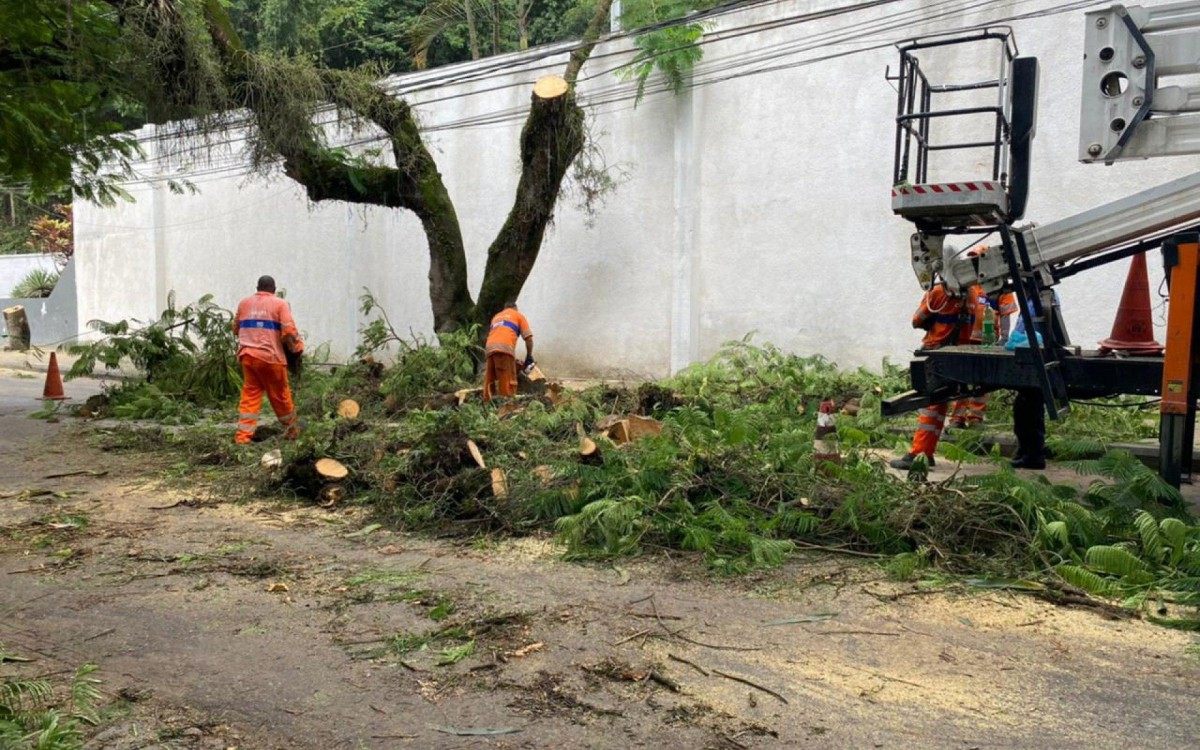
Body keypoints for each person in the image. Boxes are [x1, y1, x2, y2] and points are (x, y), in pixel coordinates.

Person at [890, 281, 979, 470]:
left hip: (937, 353)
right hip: (959, 354)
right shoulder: (972, 292)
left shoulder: (938, 292)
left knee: (930, 405)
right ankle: (927, 453)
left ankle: (919, 454)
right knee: (941, 402)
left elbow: (917, 320)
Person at [232, 275, 304, 445]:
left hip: (248, 357)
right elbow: (288, 332)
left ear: (257, 288)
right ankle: (292, 431)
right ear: (274, 289)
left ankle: (242, 438)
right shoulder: (280, 304)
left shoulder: (244, 303)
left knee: (250, 395)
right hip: (271, 359)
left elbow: (235, 328)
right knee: (280, 396)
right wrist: (297, 349)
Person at [947, 288, 1018, 430]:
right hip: (966, 339)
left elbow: (1005, 313)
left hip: (986, 341)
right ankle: (957, 418)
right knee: (962, 381)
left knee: (982, 382)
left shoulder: (999, 284)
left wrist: (1004, 339)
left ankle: (975, 417)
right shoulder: (969, 282)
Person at [1004, 290, 1059, 470]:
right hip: (1036, 355)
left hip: (1034, 357)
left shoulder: (1036, 301)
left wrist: (1012, 340)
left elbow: (1023, 331)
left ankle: (1033, 454)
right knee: (1027, 406)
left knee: (1027, 408)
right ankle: (1028, 451)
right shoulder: (1040, 297)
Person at [483, 300, 533, 403]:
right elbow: (529, 339)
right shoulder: (518, 315)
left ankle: (487, 404)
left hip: (489, 348)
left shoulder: (496, 316)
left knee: (490, 379)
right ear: (515, 308)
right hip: (505, 348)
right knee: (508, 380)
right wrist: (529, 356)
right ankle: (508, 406)